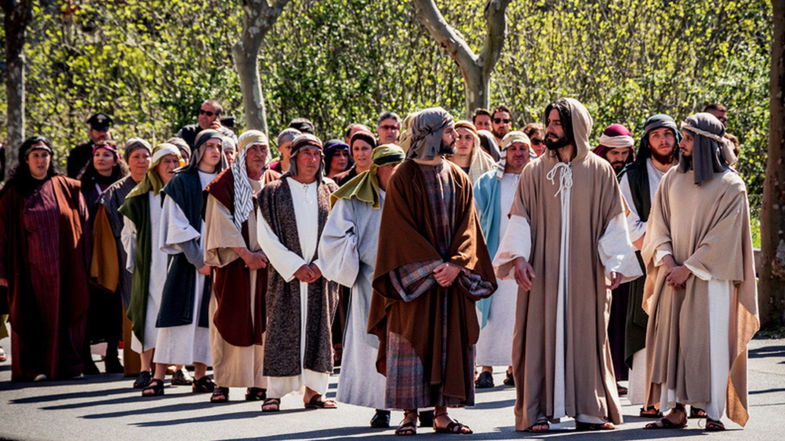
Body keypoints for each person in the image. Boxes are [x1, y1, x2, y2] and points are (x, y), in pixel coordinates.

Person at [494, 98, 642, 432]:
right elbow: (520, 220)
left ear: (576, 126)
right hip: (541, 273)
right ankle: (538, 412)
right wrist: (519, 259)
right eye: (548, 122)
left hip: (586, 272)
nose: (550, 129)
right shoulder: (534, 171)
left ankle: (589, 408)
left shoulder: (600, 170)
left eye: (557, 123)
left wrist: (615, 262)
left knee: (587, 333)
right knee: (537, 335)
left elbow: (613, 222)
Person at [369, 108, 497, 435]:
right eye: (450, 131)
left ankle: (441, 414)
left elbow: (469, 227)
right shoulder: (403, 176)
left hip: (450, 280)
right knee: (409, 342)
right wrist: (430, 267)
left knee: (448, 341)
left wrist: (456, 264)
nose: (455, 137)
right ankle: (409, 415)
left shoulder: (457, 176)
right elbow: (399, 231)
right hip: (414, 282)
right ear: (431, 134)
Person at [641, 113, 758, 432]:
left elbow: (724, 238)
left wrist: (688, 269)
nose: (681, 143)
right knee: (674, 343)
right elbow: (658, 226)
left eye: (688, 138)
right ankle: (675, 410)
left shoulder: (731, 185)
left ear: (705, 143)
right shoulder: (671, 180)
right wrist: (668, 264)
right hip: (672, 278)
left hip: (711, 281)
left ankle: (713, 411)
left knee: (711, 343)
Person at [319, 144, 406, 428]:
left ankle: (420, 405)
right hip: (370, 283)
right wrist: (355, 255)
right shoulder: (354, 198)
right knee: (374, 344)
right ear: (379, 169)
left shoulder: (412, 196)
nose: (398, 172)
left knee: (411, 344)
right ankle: (381, 405)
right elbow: (333, 238)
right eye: (393, 166)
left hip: (410, 283)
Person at [257, 134, 339, 412]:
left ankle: (314, 392)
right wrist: (294, 266)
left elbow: (339, 234)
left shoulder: (330, 189)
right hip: (286, 276)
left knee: (320, 330)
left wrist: (319, 265)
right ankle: (275, 392)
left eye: (317, 155)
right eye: (307, 154)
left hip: (320, 275)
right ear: (293, 157)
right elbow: (265, 235)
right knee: (282, 328)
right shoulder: (273, 191)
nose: (312, 160)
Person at [0, 136, 90, 381]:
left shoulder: (68, 187)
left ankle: (68, 366)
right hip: (29, 270)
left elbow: (84, 225)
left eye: (45, 155)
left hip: (66, 268)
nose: (41, 160)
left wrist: (86, 264)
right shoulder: (13, 193)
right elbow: (2, 234)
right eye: (35, 155)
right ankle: (35, 368)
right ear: (25, 159)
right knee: (32, 317)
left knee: (68, 312)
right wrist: (2, 270)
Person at [203, 130, 281, 403]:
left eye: (263, 149)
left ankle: (259, 383)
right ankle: (223, 382)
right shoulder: (225, 184)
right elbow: (219, 223)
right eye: (254, 149)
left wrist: (272, 255)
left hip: (268, 265)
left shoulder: (275, 182)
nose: (260, 154)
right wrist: (246, 254)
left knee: (264, 322)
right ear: (242, 153)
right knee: (229, 317)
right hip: (235, 265)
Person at [151, 129, 228, 396]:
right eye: (209, 146)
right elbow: (176, 223)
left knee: (206, 319)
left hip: (218, 259)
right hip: (189, 260)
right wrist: (198, 260)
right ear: (198, 150)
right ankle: (158, 376)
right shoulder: (182, 181)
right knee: (176, 316)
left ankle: (199, 375)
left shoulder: (226, 180)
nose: (215, 151)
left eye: (219, 146)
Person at [618, 114, 679, 416]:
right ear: (647, 141)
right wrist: (661, 244)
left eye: (668, 134)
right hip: (646, 264)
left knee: (682, 330)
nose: (663, 141)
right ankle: (649, 399)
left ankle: (683, 399)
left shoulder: (689, 171)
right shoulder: (632, 175)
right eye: (656, 136)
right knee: (644, 326)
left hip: (685, 264)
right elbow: (628, 224)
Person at [120, 143, 182, 393]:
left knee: (174, 318)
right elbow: (128, 234)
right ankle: (145, 369)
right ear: (155, 167)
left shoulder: (182, 193)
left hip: (176, 265)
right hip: (149, 267)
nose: (171, 166)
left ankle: (178, 367)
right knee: (147, 318)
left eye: (175, 161)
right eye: (165, 162)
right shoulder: (139, 197)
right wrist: (136, 262)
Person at [473, 131, 532, 389]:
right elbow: (474, 217)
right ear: (504, 151)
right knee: (491, 312)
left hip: (527, 257)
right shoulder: (487, 182)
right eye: (513, 148)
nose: (518, 153)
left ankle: (514, 366)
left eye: (523, 148)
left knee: (518, 314)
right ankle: (485, 367)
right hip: (494, 255)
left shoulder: (536, 180)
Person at [90, 138, 152, 380]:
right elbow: (106, 232)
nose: (141, 161)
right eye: (136, 156)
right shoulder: (114, 193)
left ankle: (164, 363)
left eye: (145, 156)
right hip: (130, 260)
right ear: (127, 161)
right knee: (134, 310)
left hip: (159, 256)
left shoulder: (161, 185)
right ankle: (138, 365)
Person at [79, 140, 129, 374]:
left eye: (106, 155)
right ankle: (85, 357)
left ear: (116, 159)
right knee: (89, 305)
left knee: (113, 305)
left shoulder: (123, 187)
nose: (101, 159)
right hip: (87, 251)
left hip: (116, 251)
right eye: (97, 155)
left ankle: (111, 355)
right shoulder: (82, 187)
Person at [67, 113, 113, 178]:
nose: (102, 134)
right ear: (91, 133)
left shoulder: (115, 152)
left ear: (110, 133)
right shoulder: (78, 153)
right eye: (98, 130)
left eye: (105, 130)